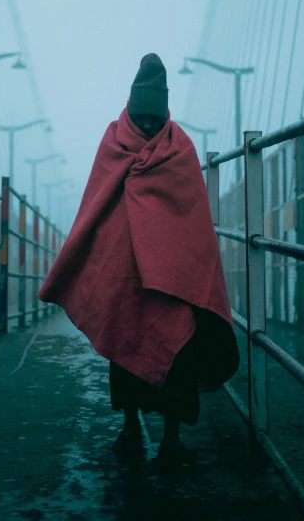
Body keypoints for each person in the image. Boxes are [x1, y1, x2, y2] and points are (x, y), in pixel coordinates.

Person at [38, 53, 239, 466]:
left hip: (174, 280)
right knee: (125, 346)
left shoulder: (179, 147)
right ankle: (130, 428)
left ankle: (171, 439)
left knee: (177, 350)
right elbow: (95, 208)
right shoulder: (113, 143)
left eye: (155, 119)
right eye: (141, 118)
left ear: (165, 113)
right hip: (124, 276)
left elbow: (193, 220)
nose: (148, 127)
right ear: (130, 110)